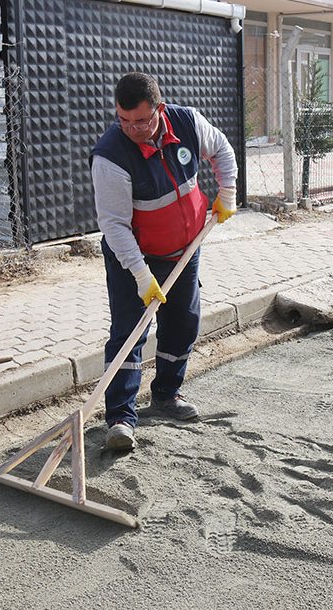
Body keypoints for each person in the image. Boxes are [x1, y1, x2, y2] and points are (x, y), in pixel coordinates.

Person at [90, 72, 237, 450]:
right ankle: (121, 418)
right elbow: (114, 226)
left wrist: (228, 192)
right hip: (133, 256)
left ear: (159, 107)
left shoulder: (187, 121)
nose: (133, 128)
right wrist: (141, 275)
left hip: (184, 250)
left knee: (184, 322)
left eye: (141, 120)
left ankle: (167, 395)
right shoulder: (111, 157)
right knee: (130, 332)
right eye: (124, 120)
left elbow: (221, 148)